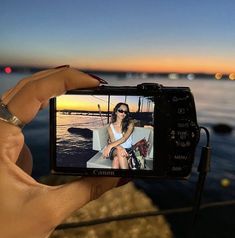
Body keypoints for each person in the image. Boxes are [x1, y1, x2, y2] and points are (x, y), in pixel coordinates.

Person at [0, 65, 125, 238]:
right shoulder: (111, 127)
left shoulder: (126, 127)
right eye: (120, 110)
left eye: (124, 111)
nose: (122, 114)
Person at [103, 102, 135, 169]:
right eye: (121, 111)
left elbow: (124, 138)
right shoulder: (110, 127)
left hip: (128, 150)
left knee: (116, 159)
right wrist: (119, 148)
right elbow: (113, 141)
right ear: (116, 112)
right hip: (115, 149)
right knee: (120, 152)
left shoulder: (130, 124)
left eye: (125, 112)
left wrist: (109, 146)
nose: (123, 113)